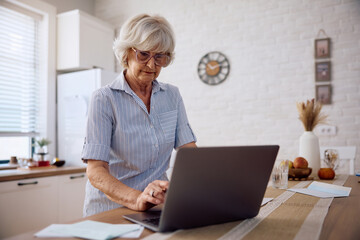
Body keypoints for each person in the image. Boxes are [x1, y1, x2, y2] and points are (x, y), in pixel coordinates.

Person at [81, 13, 197, 217]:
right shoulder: (104, 99)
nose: (152, 65)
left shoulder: (172, 96)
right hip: (110, 210)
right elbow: (95, 170)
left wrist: (214, 181)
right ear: (126, 53)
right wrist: (136, 198)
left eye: (160, 57)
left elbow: (190, 153)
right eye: (143, 54)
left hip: (157, 207)